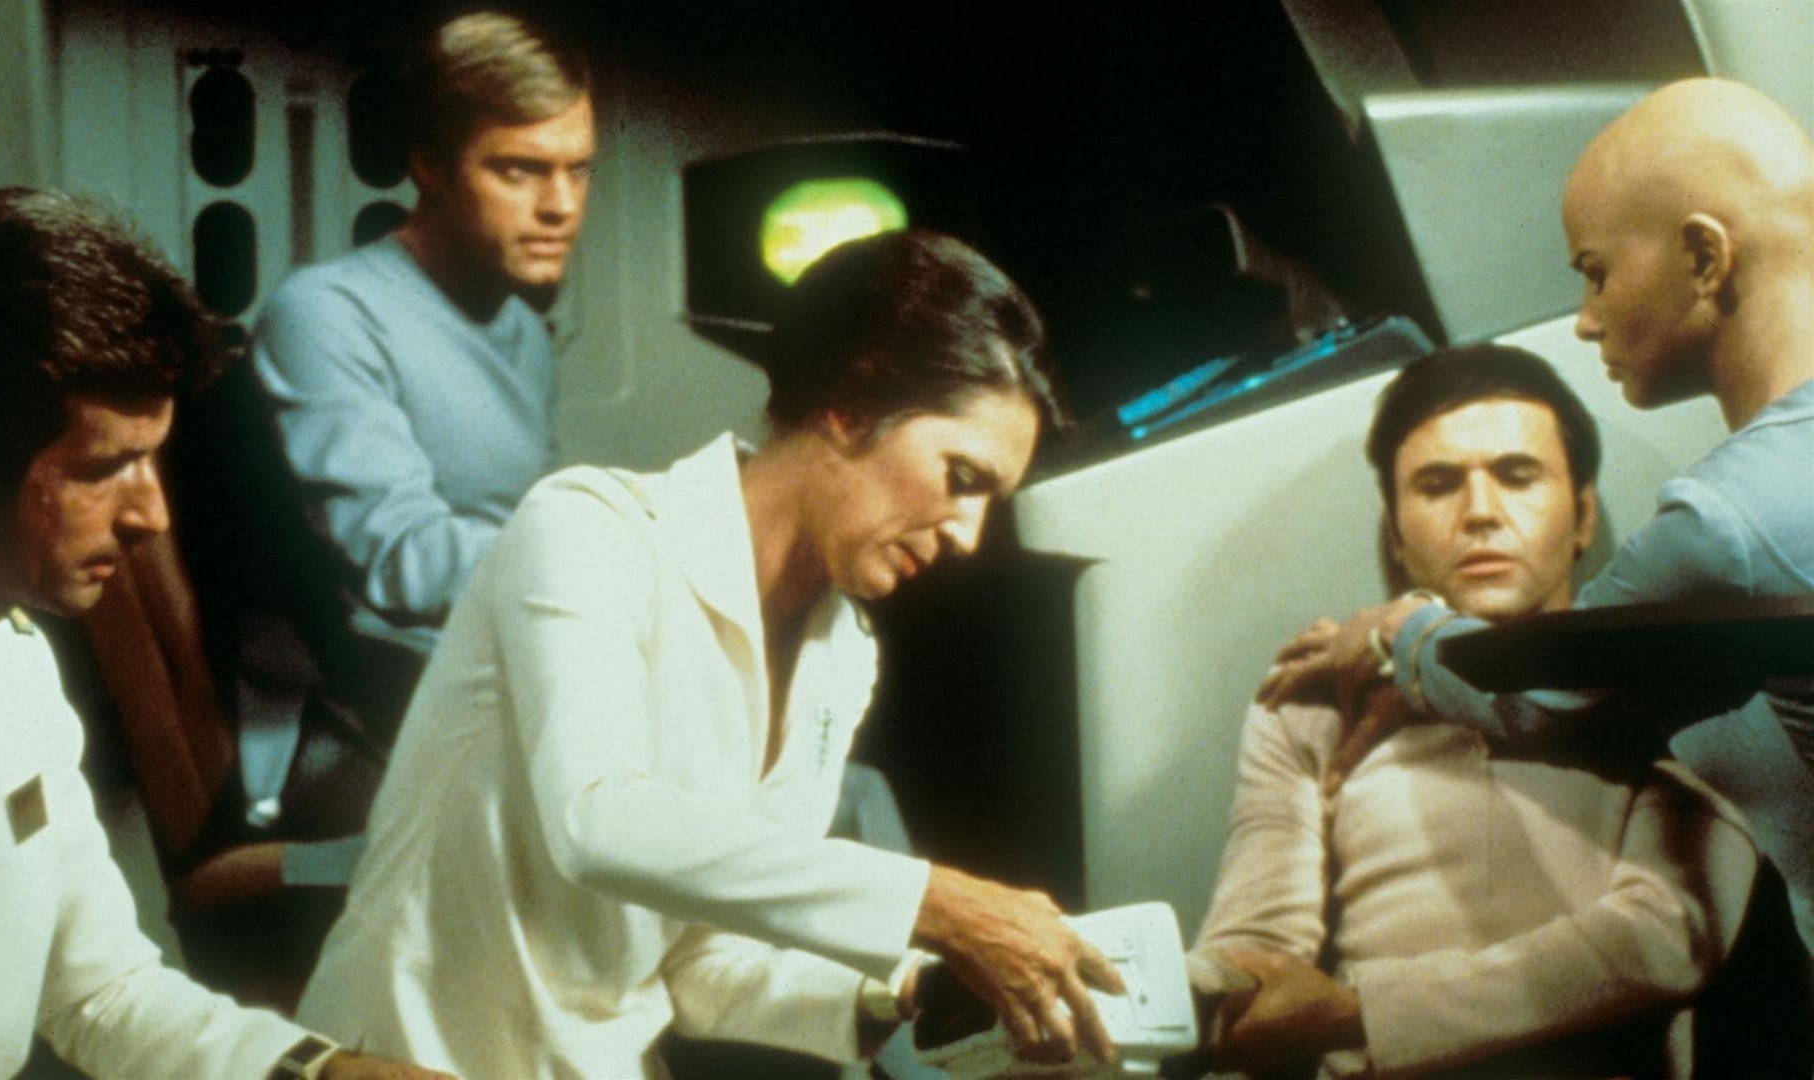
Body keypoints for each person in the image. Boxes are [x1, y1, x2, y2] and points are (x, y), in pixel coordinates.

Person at [296, 229, 1126, 1078]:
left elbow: (701, 959)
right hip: (407, 1055)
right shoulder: (589, 529)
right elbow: (597, 822)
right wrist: (938, 903)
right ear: (852, 403)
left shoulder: (841, 655)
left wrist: (905, 991)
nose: (967, 534)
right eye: (962, 477)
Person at [0, 188, 449, 1080]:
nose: (150, 514)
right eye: (106, 467)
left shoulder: (15, 663)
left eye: (153, 459)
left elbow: (98, 992)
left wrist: (316, 1071)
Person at [1257, 77, 1814, 958]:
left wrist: (1399, 630)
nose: (1588, 321)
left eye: (1596, 274)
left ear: (1704, 258)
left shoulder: (1727, 521)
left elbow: (1525, 696)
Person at [1192, 347, 1756, 1078]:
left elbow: (1665, 937)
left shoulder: (1663, 680)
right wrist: (1135, 988)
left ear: (1582, 515)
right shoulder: (1315, 708)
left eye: (1517, 476)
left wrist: (1365, 1013)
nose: (1481, 512)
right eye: (1438, 485)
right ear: (1396, 536)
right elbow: (1256, 946)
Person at [238, 10, 592, 747]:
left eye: (578, 169)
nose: (560, 206)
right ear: (429, 164)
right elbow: (400, 560)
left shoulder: (524, 331)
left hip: (492, 671)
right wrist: (613, 555)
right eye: (519, 170)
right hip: (364, 711)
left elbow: (523, 529)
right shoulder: (326, 312)